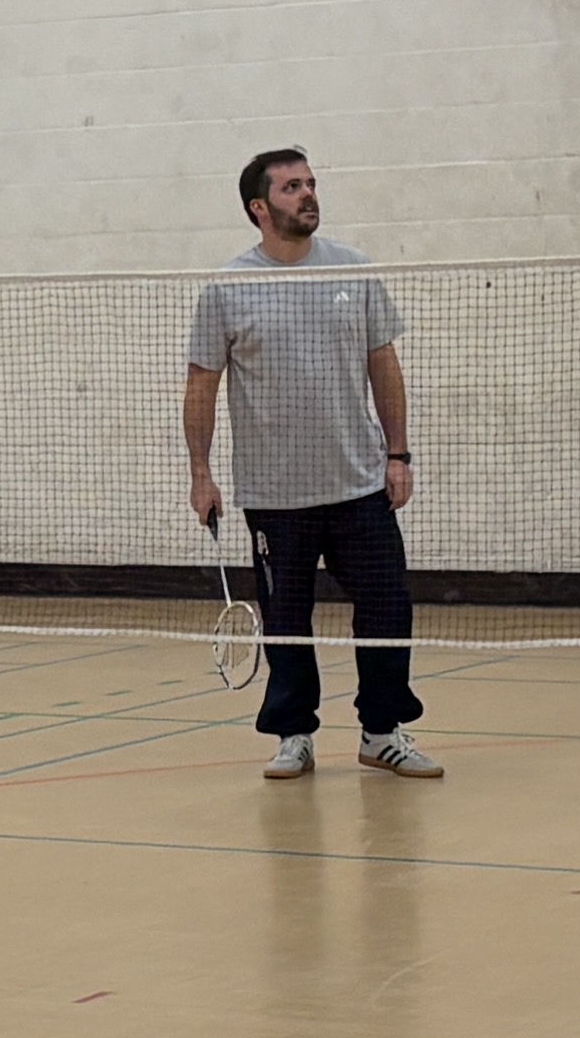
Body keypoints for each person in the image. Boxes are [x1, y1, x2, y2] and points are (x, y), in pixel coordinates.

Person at [185, 147, 439, 782]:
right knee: (286, 623)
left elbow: (384, 366)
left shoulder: (352, 269)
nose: (308, 194)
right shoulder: (228, 288)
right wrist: (200, 473)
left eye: (310, 183)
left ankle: (382, 732)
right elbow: (201, 385)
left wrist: (398, 454)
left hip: (359, 485)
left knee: (387, 609)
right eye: (292, 187)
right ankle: (294, 734)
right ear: (259, 207)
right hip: (275, 495)